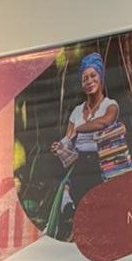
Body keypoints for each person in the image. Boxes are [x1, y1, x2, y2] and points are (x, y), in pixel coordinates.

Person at [51, 53, 120, 215]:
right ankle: (68, 207)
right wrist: (59, 146)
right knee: (71, 194)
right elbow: (69, 139)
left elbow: (104, 122)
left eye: (93, 75)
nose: (89, 81)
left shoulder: (111, 105)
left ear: (101, 76)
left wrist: (80, 128)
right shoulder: (77, 111)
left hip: (103, 161)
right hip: (81, 163)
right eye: (85, 78)